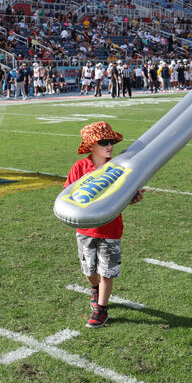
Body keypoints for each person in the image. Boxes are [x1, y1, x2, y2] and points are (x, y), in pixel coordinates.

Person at [66, 122, 144, 328]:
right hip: (85, 229)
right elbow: (68, 195)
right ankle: (95, 289)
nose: (109, 146)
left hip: (111, 229)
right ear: (91, 146)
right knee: (89, 270)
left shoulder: (119, 167)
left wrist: (133, 197)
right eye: (103, 142)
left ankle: (101, 309)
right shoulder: (80, 168)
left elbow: (126, 193)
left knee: (106, 271)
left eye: (111, 141)